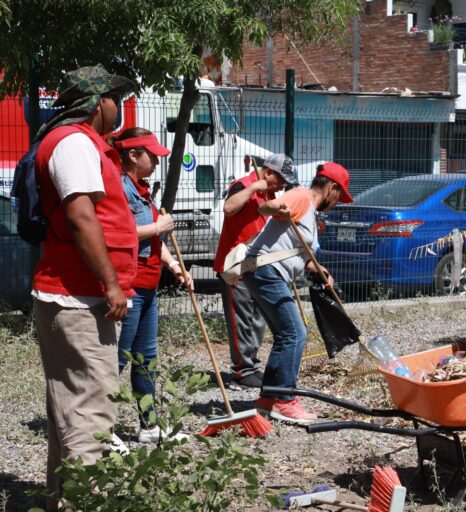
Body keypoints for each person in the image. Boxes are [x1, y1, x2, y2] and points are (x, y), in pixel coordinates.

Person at [31, 64, 138, 510]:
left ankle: (63, 500)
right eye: (115, 98)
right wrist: (111, 285)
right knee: (92, 415)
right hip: (79, 298)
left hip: (73, 296)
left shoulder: (79, 142)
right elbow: (80, 216)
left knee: (69, 411)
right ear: (98, 104)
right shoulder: (74, 142)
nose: (120, 106)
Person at [250, 162, 354, 424]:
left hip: (266, 271)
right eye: (340, 195)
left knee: (286, 334)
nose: (338, 202)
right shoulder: (300, 197)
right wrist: (274, 207)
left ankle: (268, 398)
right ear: (331, 188)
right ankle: (285, 401)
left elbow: (300, 254)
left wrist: (320, 270)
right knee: (295, 332)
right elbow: (265, 207)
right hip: (266, 270)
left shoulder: (309, 213)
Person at [109, 128, 192, 443]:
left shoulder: (142, 190)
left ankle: (150, 427)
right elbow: (118, 233)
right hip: (127, 285)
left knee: (146, 359)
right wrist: (157, 225)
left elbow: (156, 237)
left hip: (149, 286)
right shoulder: (119, 188)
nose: (157, 162)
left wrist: (174, 266)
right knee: (117, 359)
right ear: (132, 155)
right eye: (152, 155)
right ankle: (99, 431)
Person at [212, 154, 296, 389]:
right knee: (241, 320)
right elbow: (229, 208)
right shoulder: (243, 185)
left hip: (259, 265)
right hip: (235, 265)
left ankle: (251, 365)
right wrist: (253, 188)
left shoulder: (269, 194)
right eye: (280, 180)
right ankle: (242, 370)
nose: (282, 186)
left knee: (258, 320)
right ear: (268, 173)